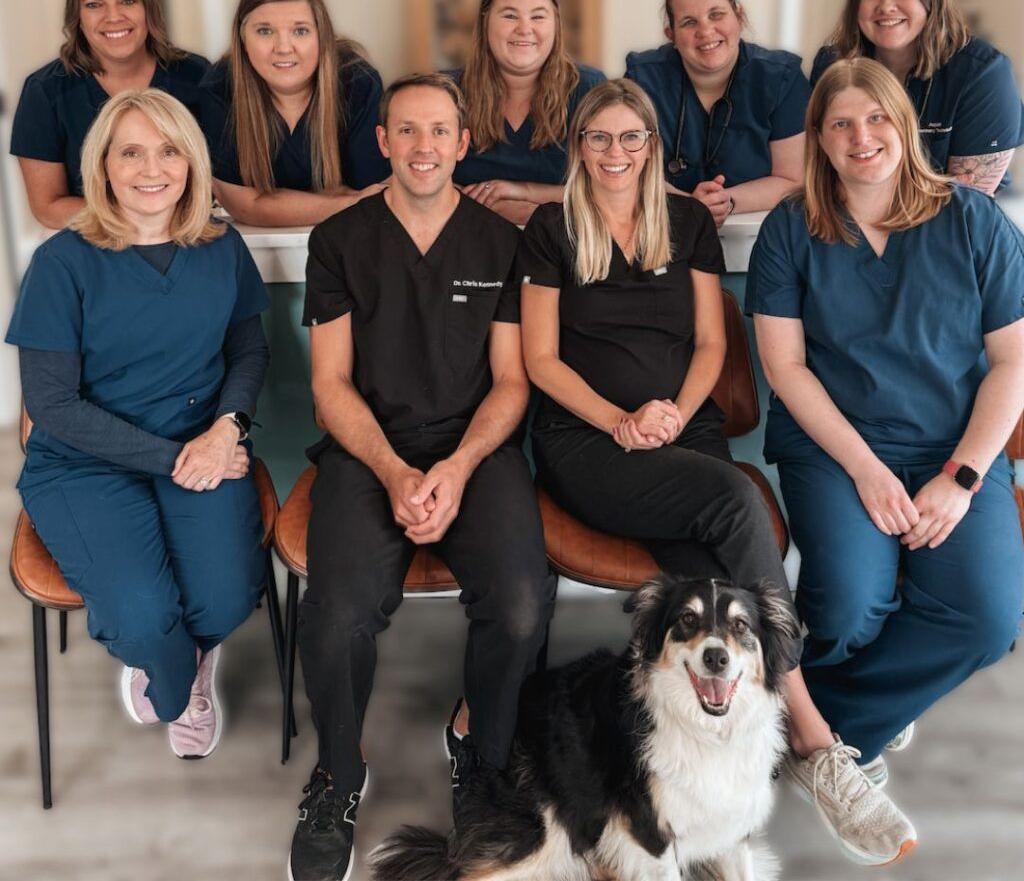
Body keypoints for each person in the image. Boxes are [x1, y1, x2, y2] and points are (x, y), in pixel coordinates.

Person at [520, 77, 917, 868]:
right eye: (599, 139)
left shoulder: (689, 221)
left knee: (707, 571)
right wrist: (619, 421)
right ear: (579, 149)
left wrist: (669, 412)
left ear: (652, 146)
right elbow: (539, 359)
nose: (616, 153)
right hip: (587, 443)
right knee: (735, 499)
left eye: (632, 138)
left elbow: (710, 345)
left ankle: (718, 763)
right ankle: (810, 737)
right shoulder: (549, 227)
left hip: (682, 428)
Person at [289, 73, 555, 881]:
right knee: (334, 618)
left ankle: (480, 752)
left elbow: (511, 383)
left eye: (439, 131)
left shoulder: (500, 242)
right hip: (370, 453)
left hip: (476, 451)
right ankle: (339, 771)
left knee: (518, 605)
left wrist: (456, 465)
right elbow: (329, 385)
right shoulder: (340, 241)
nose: (423, 146)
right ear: (384, 142)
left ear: (462, 142)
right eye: (407, 131)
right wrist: (399, 471)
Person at [747, 58, 1024, 820]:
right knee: (845, 608)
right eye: (839, 124)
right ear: (820, 140)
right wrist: (866, 470)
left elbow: (1013, 361)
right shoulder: (790, 227)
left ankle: (806, 730)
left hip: (954, 449)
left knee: (987, 617)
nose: (860, 136)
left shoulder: (974, 221)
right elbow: (786, 366)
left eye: (875, 118)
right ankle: (848, 735)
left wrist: (963, 477)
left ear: (902, 123)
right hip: (838, 450)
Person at [6, 89, 270, 759]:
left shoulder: (220, 245)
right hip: (83, 461)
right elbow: (54, 406)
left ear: (190, 162)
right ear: (103, 165)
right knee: (143, 617)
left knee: (227, 600)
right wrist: (181, 458)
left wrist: (228, 428)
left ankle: (181, 653)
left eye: (169, 149)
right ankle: (173, 674)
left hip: (201, 446)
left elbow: (249, 348)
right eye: (131, 151)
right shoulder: (62, 262)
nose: (151, 168)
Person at [11, 0, 209, 229]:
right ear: (77, 17)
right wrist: (142, 221)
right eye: (94, 5)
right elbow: (48, 207)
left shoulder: (198, 76)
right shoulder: (44, 91)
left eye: (128, 1)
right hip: (97, 244)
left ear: (148, 9)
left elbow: (222, 183)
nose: (113, 16)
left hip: (188, 237)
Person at [810, 0, 1024, 194]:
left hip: (955, 230)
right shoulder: (832, 65)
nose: (886, 6)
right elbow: (818, 167)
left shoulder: (984, 73)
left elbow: (969, 202)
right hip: (849, 222)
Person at [198, 0, 390, 227]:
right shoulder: (219, 90)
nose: (284, 47)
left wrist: (274, 202)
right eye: (265, 31)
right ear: (243, 39)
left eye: (300, 31)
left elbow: (374, 191)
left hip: (348, 239)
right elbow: (245, 207)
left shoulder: (357, 83)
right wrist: (347, 201)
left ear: (321, 36)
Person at [625, 0, 808, 227]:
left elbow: (793, 179)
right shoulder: (641, 79)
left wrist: (725, 201)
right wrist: (689, 205)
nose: (706, 31)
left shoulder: (781, 78)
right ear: (671, 35)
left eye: (716, 15)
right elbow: (627, 168)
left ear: (739, 17)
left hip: (758, 239)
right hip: (663, 231)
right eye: (689, 22)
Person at [449, 0, 605, 226]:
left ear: (555, 24)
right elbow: (420, 179)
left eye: (538, 17)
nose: (524, 28)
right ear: (485, 21)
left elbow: (612, 186)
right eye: (510, 16)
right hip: (468, 242)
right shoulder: (447, 92)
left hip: (560, 242)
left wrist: (523, 193)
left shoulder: (589, 88)